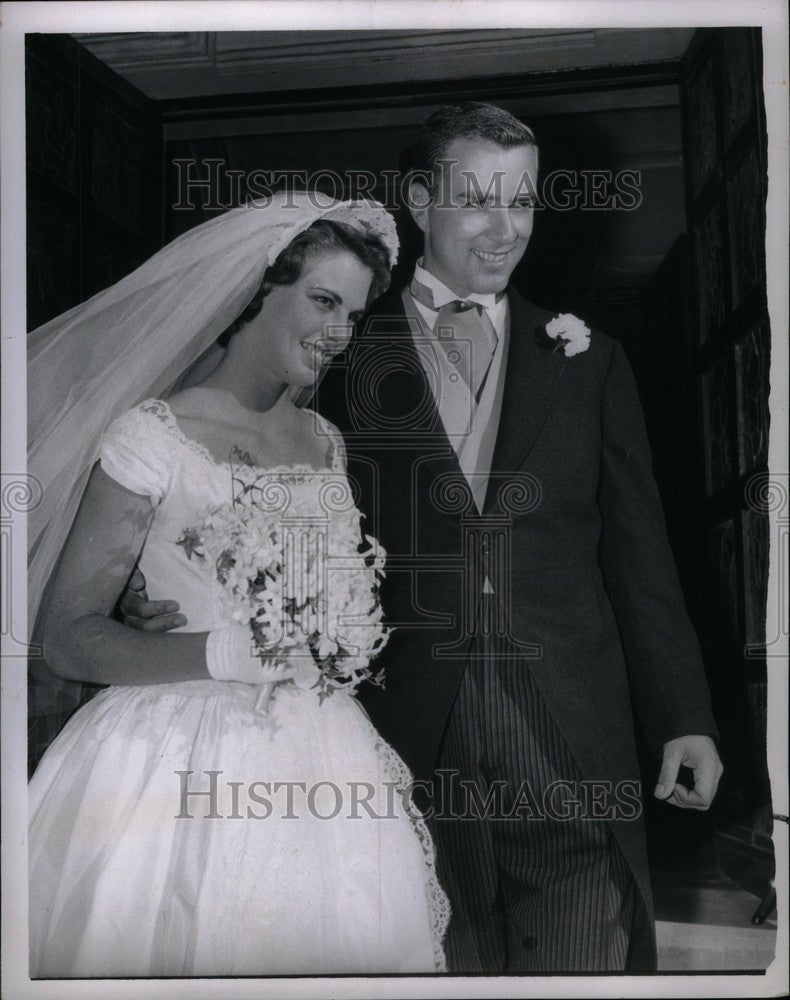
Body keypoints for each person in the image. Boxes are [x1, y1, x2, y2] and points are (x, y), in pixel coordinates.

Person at [121, 103, 725, 973]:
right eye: (477, 199)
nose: (504, 227)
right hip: (402, 728)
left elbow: (641, 559)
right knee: (439, 955)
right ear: (417, 199)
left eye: (521, 202)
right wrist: (155, 588)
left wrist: (684, 717)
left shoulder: (591, 361)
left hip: (569, 731)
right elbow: (230, 480)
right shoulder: (336, 352)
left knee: (589, 954)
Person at [26, 193, 449, 977]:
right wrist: (227, 648)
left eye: (353, 316)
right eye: (323, 302)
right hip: (169, 756)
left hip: (322, 755)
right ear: (257, 288)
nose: (338, 335)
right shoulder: (151, 437)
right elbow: (67, 637)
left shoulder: (325, 441)